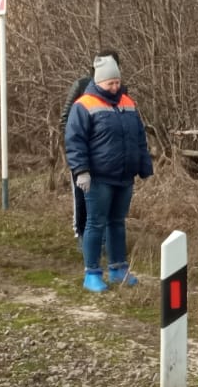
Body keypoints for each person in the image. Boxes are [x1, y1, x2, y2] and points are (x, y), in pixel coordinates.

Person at [65, 54, 153, 292]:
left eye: (117, 82)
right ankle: (92, 273)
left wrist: (144, 165)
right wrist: (81, 171)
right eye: (109, 83)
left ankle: (118, 268)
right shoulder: (84, 105)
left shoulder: (127, 103)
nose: (114, 87)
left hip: (124, 176)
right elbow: (75, 142)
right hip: (98, 178)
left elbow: (139, 138)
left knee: (117, 223)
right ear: (99, 82)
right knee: (95, 223)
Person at [61, 50, 121, 240]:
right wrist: (77, 151)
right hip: (83, 155)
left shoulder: (120, 91)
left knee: (107, 201)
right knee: (81, 198)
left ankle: (102, 239)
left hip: (109, 159)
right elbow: (65, 120)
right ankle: (81, 234)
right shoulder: (81, 85)